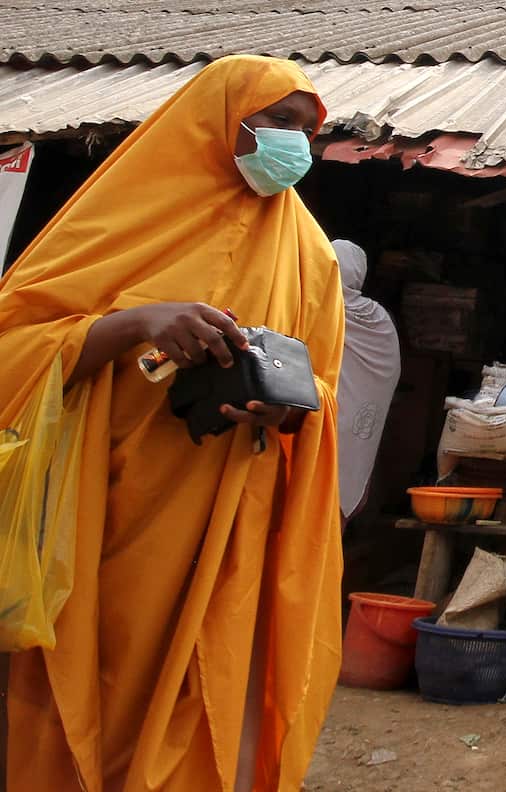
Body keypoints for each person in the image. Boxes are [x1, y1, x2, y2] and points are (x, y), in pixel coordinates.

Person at [0, 56, 344, 791]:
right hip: (98, 516)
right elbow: (12, 350)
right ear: (219, 118)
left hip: (229, 519)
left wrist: (286, 402)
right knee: (88, 687)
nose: (296, 144)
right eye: (279, 121)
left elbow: (324, 389)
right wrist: (134, 325)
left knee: (208, 693)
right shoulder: (116, 213)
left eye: (307, 129)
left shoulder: (312, 257)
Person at [333, 239, 401, 522]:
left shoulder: (315, 305)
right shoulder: (379, 318)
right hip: (356, 420)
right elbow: (386, 372)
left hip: (321, 415)